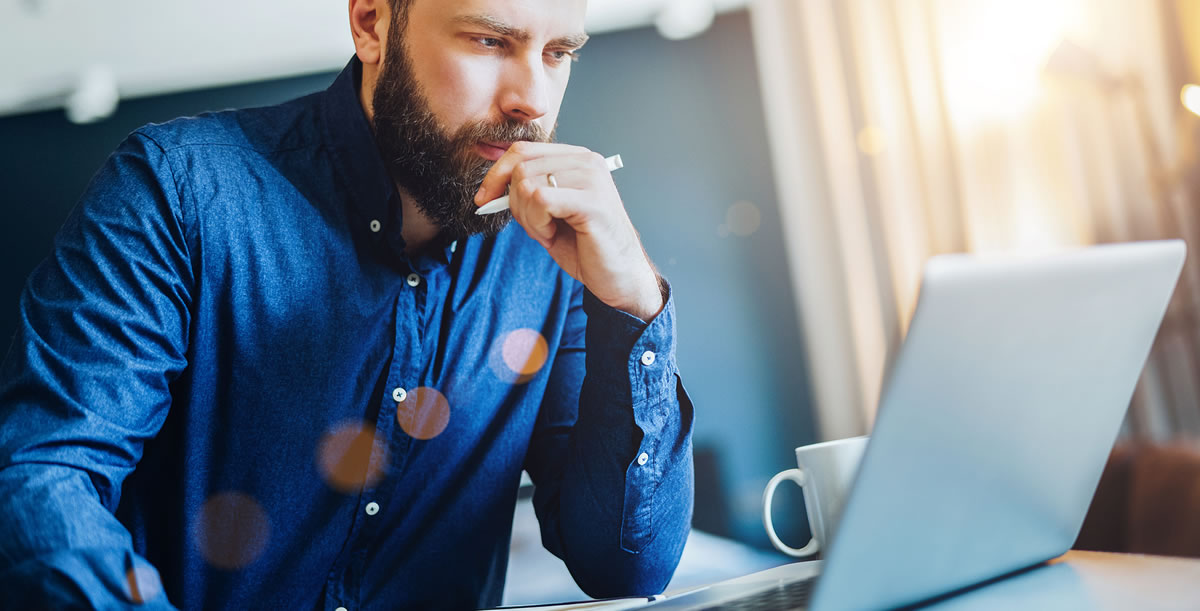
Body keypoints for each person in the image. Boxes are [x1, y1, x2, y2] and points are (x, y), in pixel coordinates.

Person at [0, 0, 695, 607]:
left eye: (557, 53)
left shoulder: (551, 254)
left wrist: (631, 297)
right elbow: (40, 478)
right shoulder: (176, 191)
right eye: (490, 41)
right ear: (372, 25)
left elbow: (625, 564)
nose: (533, 99)